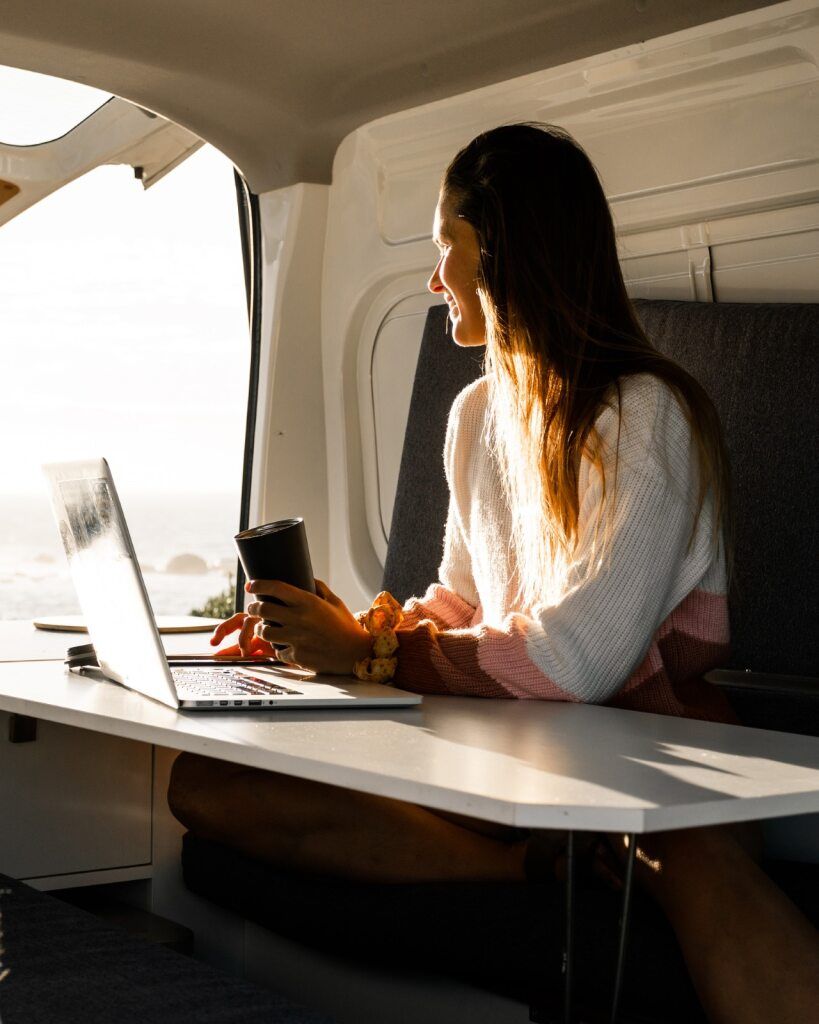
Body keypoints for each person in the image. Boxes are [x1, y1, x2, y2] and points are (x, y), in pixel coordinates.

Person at [169, 124, 819, 1024]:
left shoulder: (647, 416)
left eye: (448, 248)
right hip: (514, 756)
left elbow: (576, 665)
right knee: (204, 786)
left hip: (652, 758)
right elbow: (461, 605)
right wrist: (331, 629)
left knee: (697, 868)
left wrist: (371, 655)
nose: (435, 279)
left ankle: (580, 854)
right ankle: (531, 866)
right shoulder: (476, 413)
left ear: (508, 254)